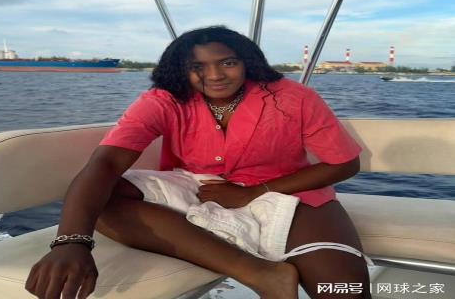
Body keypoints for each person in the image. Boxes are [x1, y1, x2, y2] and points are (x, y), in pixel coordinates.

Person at [25, 26, 371, 299]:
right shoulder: (164, 100)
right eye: (197, 67)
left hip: (287, 193)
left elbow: (344, 164)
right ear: (181, 70)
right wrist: (71, 241)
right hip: (195, 187)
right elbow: (106, 164)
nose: (215, 75)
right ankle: (261, 273)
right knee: (102, 196)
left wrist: (254, 192)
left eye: (227, 62)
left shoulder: (292, 98)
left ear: (247, 62)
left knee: (344, 291)